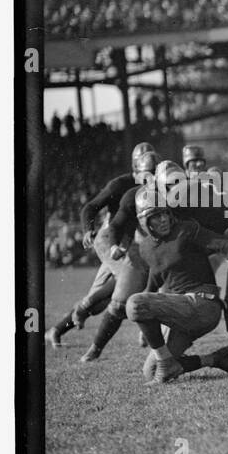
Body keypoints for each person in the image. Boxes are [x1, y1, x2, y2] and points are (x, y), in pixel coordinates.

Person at [126, 182, 228, 384]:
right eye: (155, 216)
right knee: (150, 370)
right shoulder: (145, 247)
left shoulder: (186, 229)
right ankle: (216, 358)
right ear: (144, 221)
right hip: (179, 310)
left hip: (202, 305)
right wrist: (144, 323)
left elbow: (225, 245)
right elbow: (155, 278)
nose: (163, 219)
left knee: (135, 303)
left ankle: (167, 365)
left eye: (165, 213)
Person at [46, 141, 157, 360]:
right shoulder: (120, 185)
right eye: (147, 172)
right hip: (108, 238)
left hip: (123, 242)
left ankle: (57, 329)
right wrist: (88, 230)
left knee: (102, 301)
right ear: (136, 168)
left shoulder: (157, 186)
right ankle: (145, 333)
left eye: (155, 172)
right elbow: (89, 207)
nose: (151, 177)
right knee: (132, 277)